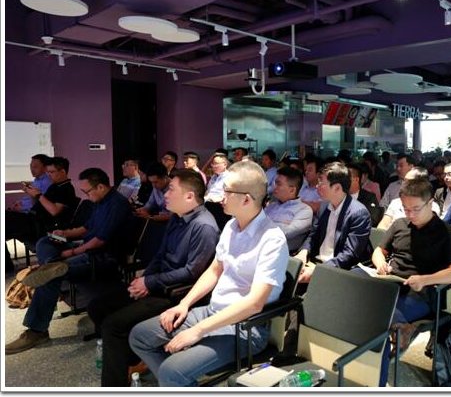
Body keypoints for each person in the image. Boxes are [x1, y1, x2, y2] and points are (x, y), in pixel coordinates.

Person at [128, 161, 289, 387]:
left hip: (244, 327)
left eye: (227, 191)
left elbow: (254, 303)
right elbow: (214, 270)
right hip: (212, 311)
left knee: (171, 372)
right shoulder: (232, 226)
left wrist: (198, 330)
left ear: (246, 199)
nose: (221, 197)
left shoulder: (272, 239)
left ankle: (174, 379)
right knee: (139, 336)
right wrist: (184, 304)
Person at [88, 169, 220, 386]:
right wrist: (144, 279)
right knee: (97, 307)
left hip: (177, 291)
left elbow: (192, 272)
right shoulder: (177, 217)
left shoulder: (204, 226)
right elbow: (160, 255)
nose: (165, 194)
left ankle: (115, 384)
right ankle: (130, 359)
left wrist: (149, 282)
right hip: (158, 282)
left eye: (171, 190)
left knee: (113, 325)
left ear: (189, 196)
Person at [5, 168, 131, 355]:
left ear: (101, 187)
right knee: (45, 242)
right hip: (86, 247)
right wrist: (64, 233)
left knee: (50, 277)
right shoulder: (100, 201)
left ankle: (37, 331)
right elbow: (86, 228)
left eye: (87, 191)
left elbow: (99, 241)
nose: (86, 195)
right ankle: (52, 264)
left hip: (102, 257)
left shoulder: (117, 204)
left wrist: (71, 252)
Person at [371, 179, 451, 386]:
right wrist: (380, 263)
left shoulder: (448, 233)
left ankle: (376, 381)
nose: (410, 214)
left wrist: (425, 279)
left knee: (377, 319)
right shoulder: (400, 224)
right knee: (354, 296)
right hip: (391, 283)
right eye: (406, 209)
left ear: (430, 203)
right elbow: (379, 250)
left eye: (415, 209)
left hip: (422, 292)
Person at [295, 162, 372, 286]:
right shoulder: (324, 206)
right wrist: (303, 252)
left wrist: (319, 270)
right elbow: (313, 236)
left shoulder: (359, 213)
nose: (317, 186)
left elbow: (349, 255)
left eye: (321, 182)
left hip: (340, 270)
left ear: (337, 188)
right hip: (316, 263)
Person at [5, 156, 77, 248]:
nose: (49, 175)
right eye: (48, 172)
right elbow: (40, 204)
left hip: (40, 226)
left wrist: (38, 195)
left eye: (52, 172)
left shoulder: (66, 188)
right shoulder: (55, 186)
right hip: (33, 220)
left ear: (63, 172)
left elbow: (54, 211)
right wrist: (34, 195)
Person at [265, 167, 313, 253]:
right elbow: (254, 225)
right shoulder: (271, 207)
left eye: (278, 184)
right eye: (275, 183)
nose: (274, 186)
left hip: (283, 254)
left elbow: (285, 232)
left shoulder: (304, 210)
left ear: (292, 190)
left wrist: (263, 226)